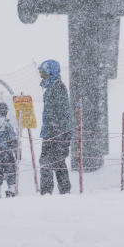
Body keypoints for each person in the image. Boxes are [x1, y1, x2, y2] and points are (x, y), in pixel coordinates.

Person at [38, 59, 72, 195]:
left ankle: (48, 192)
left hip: (57, 133)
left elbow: (63, 112)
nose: (42, 78)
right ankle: (62, 191)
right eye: (41, 74)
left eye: (44, 74)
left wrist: (59, 131)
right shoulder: (51, 89)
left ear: (52, 73)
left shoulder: (58, 88)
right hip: (50, 132)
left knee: (50, 162)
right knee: (56, 163)